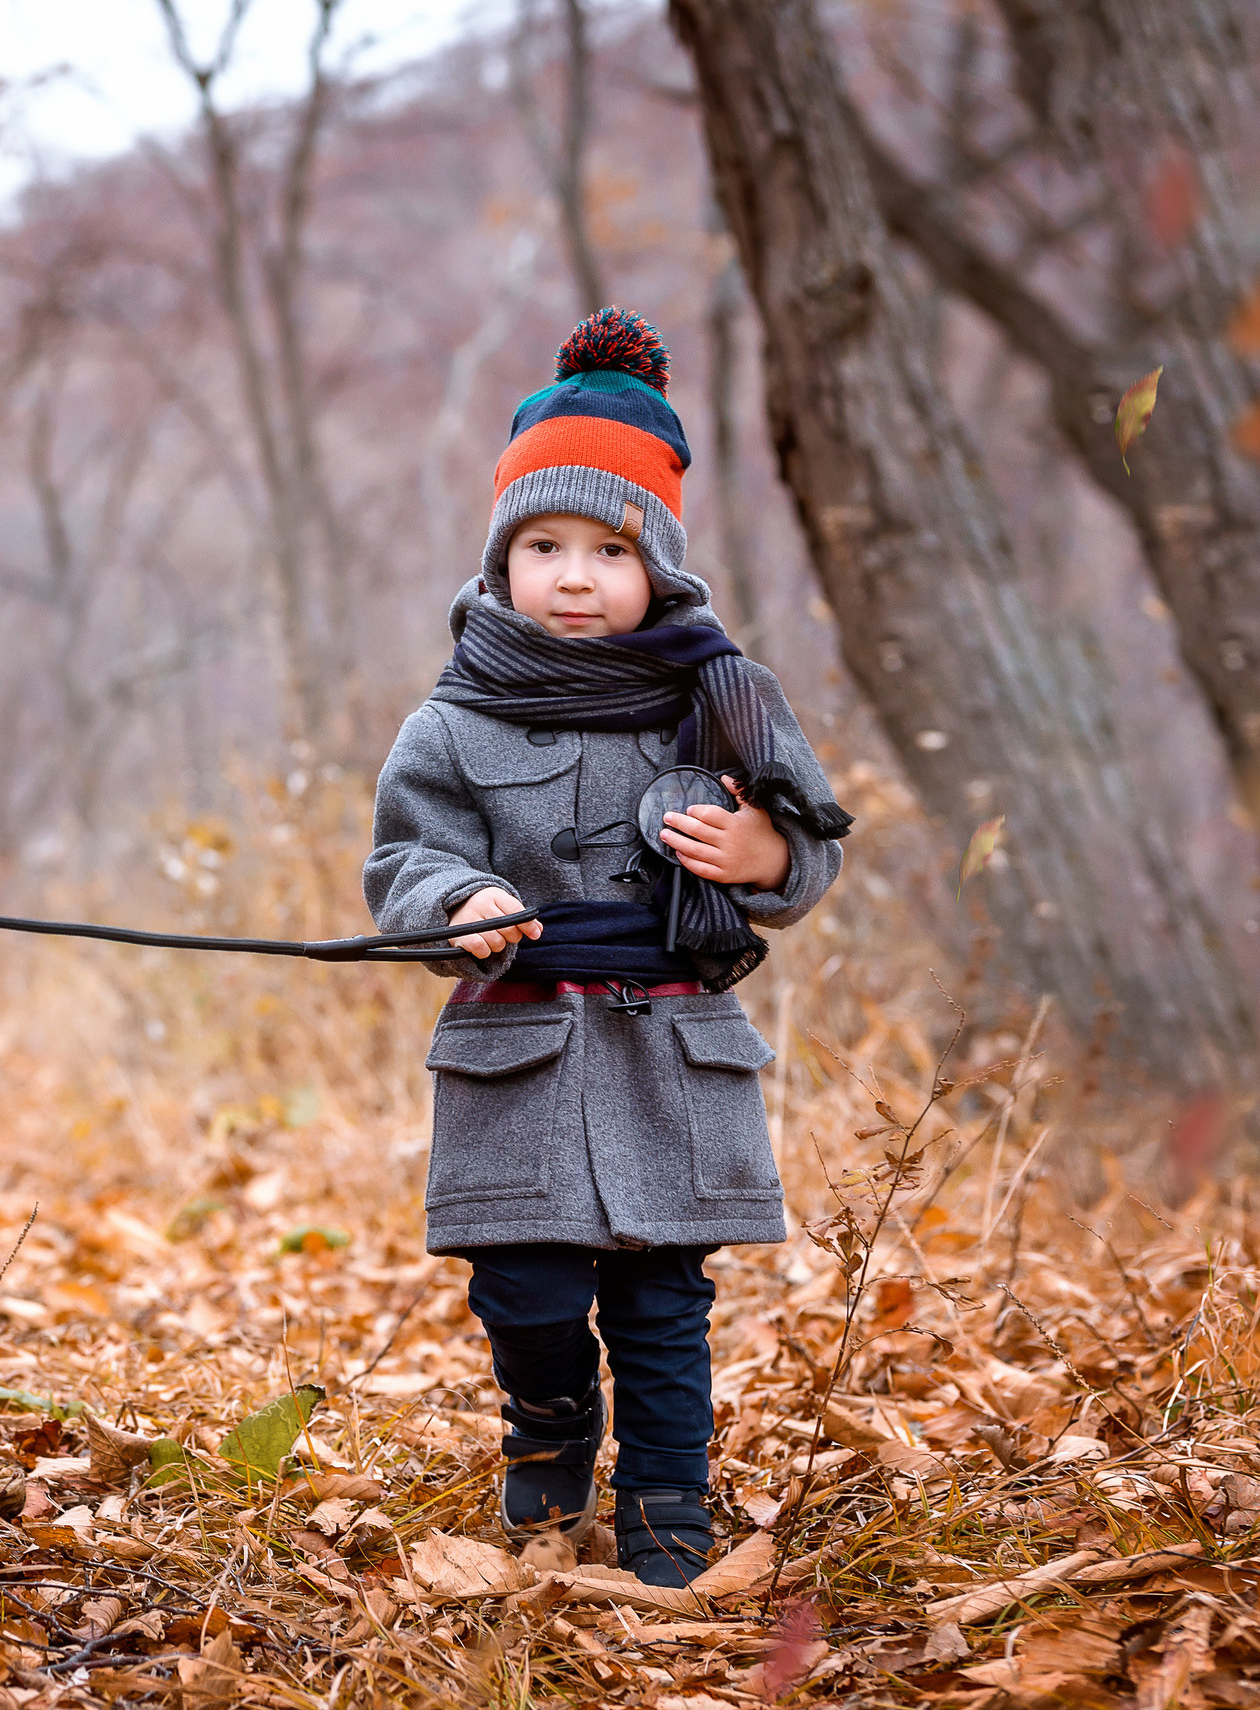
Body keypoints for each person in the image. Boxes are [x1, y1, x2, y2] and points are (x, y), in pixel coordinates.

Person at [364, 308, 852, 1589]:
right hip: (518, 1043)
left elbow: (812, 849)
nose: (573, 575)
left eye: (607, 549)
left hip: (668, 1045)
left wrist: (766, 863)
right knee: (523, 1293)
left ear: (660, 569)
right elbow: (400, 862)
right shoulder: (453, 719)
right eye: (542, 546)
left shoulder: (721, 699)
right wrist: (456, 904)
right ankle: (548, 1419)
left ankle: (665, 1501)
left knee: (661, 1305)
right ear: (500, 560)